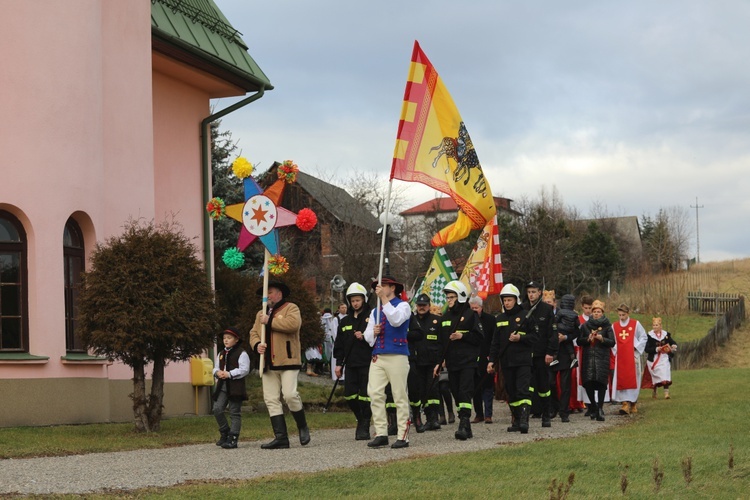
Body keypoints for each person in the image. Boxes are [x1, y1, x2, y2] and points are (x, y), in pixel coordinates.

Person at [249, 281, 310, 449]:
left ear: (280, 294)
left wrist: (270, 321)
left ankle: (302, 426)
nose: (267, 296)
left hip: (288, 360)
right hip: (268, 363)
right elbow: (254, 333)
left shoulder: (292, 308)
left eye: (270, 292)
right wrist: (256, 345)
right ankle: (281, 437)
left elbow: (293, 325)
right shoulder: (260, 313)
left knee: (290, 395)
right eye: (265, 293)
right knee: (271, 399)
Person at [364, 275, 411, 449]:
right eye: (378, 286)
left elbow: (396, 320)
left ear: (392, 288)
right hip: (378, 356)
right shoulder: (374, 310)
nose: (380, 288)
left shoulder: (404, 306)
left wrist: (383, 299)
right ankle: (381, 433)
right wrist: (374, 332)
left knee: (399, 395)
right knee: (374, 393)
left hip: (397, 356)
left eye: (383, 285)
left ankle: (402, 436)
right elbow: (368, 337)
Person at [488, 284, 537, 434]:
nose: (507, 303)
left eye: (510, 300)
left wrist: (520, 338)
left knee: (523, 390)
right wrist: (492, 361)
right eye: (505, 300)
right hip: (506, 361)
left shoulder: (526, 315)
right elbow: (495, 342)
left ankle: (524, 420)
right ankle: (515, 419)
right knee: (511, 391)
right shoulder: (500, 319)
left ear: (516, 300)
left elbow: (535, 337)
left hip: (523, 360)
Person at [437, 280, 483, 440]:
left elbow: (479, 337)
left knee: (464, 392)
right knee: (456, 393)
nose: (449, 300)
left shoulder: (471, 315)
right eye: (448, 297)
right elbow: (441, 343)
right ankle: (467, 426)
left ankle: (463, 423)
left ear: (460, 297)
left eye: (452, 297)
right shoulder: (445, 317)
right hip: (451, 363)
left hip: (467, 362)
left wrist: (463, 336)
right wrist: (439, 362)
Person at [334, 283, 373, 440]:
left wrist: (363, 337)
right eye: (353, 300)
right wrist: (338, 363)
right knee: (350, 395)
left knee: (365, 396)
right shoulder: (344, 322)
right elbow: (339, 344)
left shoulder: (371, 318)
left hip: (367, 363)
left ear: (363, 300)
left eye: (358, 300)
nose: (355, 303)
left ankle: (364, 424)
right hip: (350, 364)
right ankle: (361, 418)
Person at [524, 281, 557, 428]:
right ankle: (524, 417)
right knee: (526, 387)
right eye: (529, 292)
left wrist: (550, 352)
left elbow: (552, 333)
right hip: (525, 355)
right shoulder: (522, 308)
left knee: (543, 386)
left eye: (534, 291)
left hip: (541, 354)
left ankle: (546, 414)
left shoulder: (547, 309)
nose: (531, 294)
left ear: (539, 293)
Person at [409, 293, 443, 431]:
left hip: (432, 363)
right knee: (420, 391)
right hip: (417, 362)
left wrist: (441, 362)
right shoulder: (411, 320)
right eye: (419, 305)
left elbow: (442, 343)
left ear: (429, 306)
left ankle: (433, 418)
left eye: (424, 305)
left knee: (433, 391)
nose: (421, 308)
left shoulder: (436, 321)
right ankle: (420, 418)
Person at [212, 327, 250, 449]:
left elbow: (244, 369)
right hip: (222, 386)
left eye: (229, 338)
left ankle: (233, 438)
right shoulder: (221, 354)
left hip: (235, 387)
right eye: (224, 338)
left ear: (236, 339)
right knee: (217, 409)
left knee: (234, 412)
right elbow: (216, 367)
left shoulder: (241, 353)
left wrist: (229, 374)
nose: (226, 340)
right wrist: (217, 373)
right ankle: (225, 432)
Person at [578, 300, 616, 421]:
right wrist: (587, 339)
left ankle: (599, 408)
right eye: (594, 312)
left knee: (601, 384)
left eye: (598, 312)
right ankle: (593, 406)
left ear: (602, 313)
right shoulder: (585, 326)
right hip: (588, 358)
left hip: (602, 358)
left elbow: (612, 342)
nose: (596, 314)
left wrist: (602, 338)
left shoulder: (607, 326)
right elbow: (579, 341)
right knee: (588, 383)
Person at [611, 303, 647, 415]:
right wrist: (617, 349)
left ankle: (633, 402)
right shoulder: (614, 326)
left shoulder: (635, 324)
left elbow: (644, 337)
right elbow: (612, 341)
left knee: (634, 379)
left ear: (628, 313)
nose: (621, 317)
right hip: (621, 357)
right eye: (620, 315)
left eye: (623, 315)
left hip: (633, 355)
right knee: (621, 379)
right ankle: (624, 403)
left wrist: (636, 348)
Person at [551, 294, 579, 423]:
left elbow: (576, 332)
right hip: (552, 351)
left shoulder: (572, 316)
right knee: (550, 382)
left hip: (566, 353)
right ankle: (553, 407)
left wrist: (565, 337)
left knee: (565, 384)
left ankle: (564, 411)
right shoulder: (552, 315)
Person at [469, 296, 496, 424]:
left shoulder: (490, 320)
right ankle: (478, 414)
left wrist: (492, 357)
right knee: (475, 388)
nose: (474, 310)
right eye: (472, 308)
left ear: (481, 307)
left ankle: (488, 414)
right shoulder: (467, 320)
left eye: (476, 308)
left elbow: (494, 340)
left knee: (488, 387)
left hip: (486, 357)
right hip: (472, 358)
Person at [644, 317, 677, 399]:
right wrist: (656, 349)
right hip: (654, 359)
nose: (655, 327)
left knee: (665, 374)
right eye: (654, 325)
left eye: (656, 325)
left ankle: (666, 393)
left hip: (664, 358)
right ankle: (654, 391)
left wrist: (673, 346)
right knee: (655, 376)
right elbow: (647, 349)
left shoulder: (666, 335)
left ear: (660, 326)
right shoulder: (649, 336)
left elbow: (673, 342)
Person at [321, 307, 339, 380]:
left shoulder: (322, 319)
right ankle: (330, 370)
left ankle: (325, 366)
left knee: (325, 353)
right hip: (331, 338)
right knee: (331, 354)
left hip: (323, 337)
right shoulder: (333, 319)